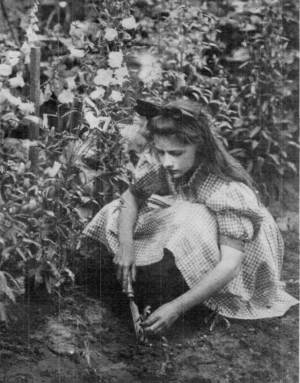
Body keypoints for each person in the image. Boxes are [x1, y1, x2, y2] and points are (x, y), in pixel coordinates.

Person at [83, 98, 298, 335]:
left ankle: (184, 296)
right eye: (161, 152)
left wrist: (176, 308)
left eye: (176, 153)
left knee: (190, 218)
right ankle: (143, 277)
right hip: (199, 229)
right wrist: (126, 248)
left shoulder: (226, 190)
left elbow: (230, 265)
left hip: (241, 255)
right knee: (116, 209)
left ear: (200, 147)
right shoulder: (169, 168)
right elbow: (129, 199)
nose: (167, 162)